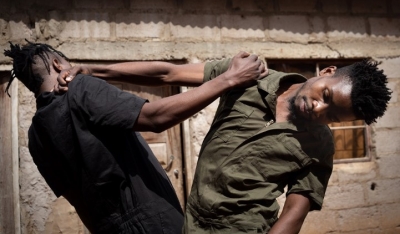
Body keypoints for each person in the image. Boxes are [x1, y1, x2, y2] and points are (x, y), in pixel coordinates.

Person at [59, 56, 391, 234]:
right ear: (327, 72)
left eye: (332, 115)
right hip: (189, 221)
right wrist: (95, 69)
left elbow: (294, 213)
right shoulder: (249, 76)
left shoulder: (320, 147)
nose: (319, 109)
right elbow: (169, 74)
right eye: (327, 96)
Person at [4, 41, 267, 234]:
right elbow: (155, 118)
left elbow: (78, 202)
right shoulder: (79, 89)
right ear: (58, 64)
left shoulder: (36, 136)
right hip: (154, 223)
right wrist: (230, 79)